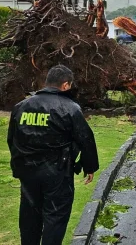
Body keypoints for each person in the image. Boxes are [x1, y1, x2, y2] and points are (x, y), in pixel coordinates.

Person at [7, 65, 99, 245]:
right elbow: (85, 139)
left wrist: (20, 164)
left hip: (28, 170)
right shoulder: (70, 108)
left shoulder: (21, 106)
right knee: (55, 216)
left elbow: (12, 139)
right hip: (58, 171)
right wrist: (89, 166)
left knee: (30, 215)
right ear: (65, 85)